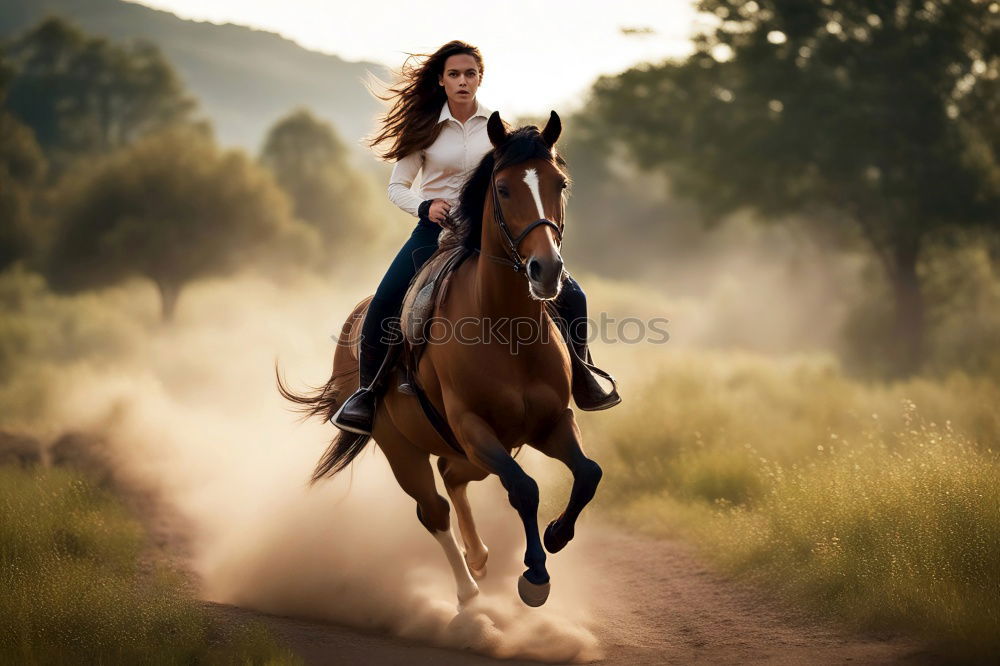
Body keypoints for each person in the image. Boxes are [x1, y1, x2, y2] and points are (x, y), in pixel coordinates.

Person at [332, 40, 619, 435]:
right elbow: (398, 186)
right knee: (385, 303)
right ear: (442, 80)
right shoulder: (424, 129)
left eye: (470, 74)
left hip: (494, 237)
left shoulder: (501, 130)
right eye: (454, 74)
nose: (463, 81)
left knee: (575, 296)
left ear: (480, 78)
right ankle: (366, 394)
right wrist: (424, 206)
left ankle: (583, 375)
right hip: (436, 232)